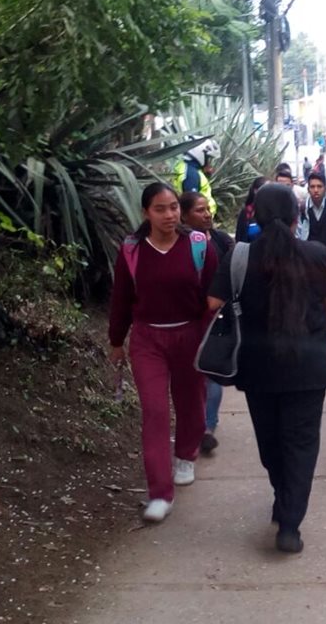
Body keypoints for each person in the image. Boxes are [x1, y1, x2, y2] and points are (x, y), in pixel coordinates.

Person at [208, 184, 326, 553]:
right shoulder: (317, 255)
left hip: (258, 372)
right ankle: (289, 525)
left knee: (272, 445)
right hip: (309, 371)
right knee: (300, 446)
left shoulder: (239, 257)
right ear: (296, 216)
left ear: (253, 214)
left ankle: (282, 499)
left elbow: (211, 303)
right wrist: (325, 329)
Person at [109, 183, 219, 522]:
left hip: (190, 336)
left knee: (191, 403)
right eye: (160, 208)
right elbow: (121, 299)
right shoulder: (132, 250)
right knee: (154, 412)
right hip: (147, 340)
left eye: (173, 207)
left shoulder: (199, 246)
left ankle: (186, 455)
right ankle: (159, 493)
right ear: (146, 212)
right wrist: (116, 341)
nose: (169, 215)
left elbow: (215, 290)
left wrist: (210, 322)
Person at [180, 191, 235, 454]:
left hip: (217, 320)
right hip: (188, 319)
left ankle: (207, 427)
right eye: (199, 210)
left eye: (207, 209)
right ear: (184, 215)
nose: (207, 214)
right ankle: (196, 423)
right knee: (193, 376)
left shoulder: (223, 241)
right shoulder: (178, 245)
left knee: (211, 372)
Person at [296, 171, 326, 250]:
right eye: (312, 187)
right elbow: (297, 237)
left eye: (319, 186)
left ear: (325, 189)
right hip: (308, 259)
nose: (316, 190)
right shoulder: (301, 210)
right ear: (308, 189)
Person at [175, 137, 220, 217]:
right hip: (199, 222)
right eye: (208, 158)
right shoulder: (192, 175)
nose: (209, 162)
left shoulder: (185, 167)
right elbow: (192, 204)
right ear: (200, 154)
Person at [235, 176, 268, 243]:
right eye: (266, 190)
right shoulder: (247, 212)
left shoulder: (275, 212)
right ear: (255, 191)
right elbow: (239, 238)